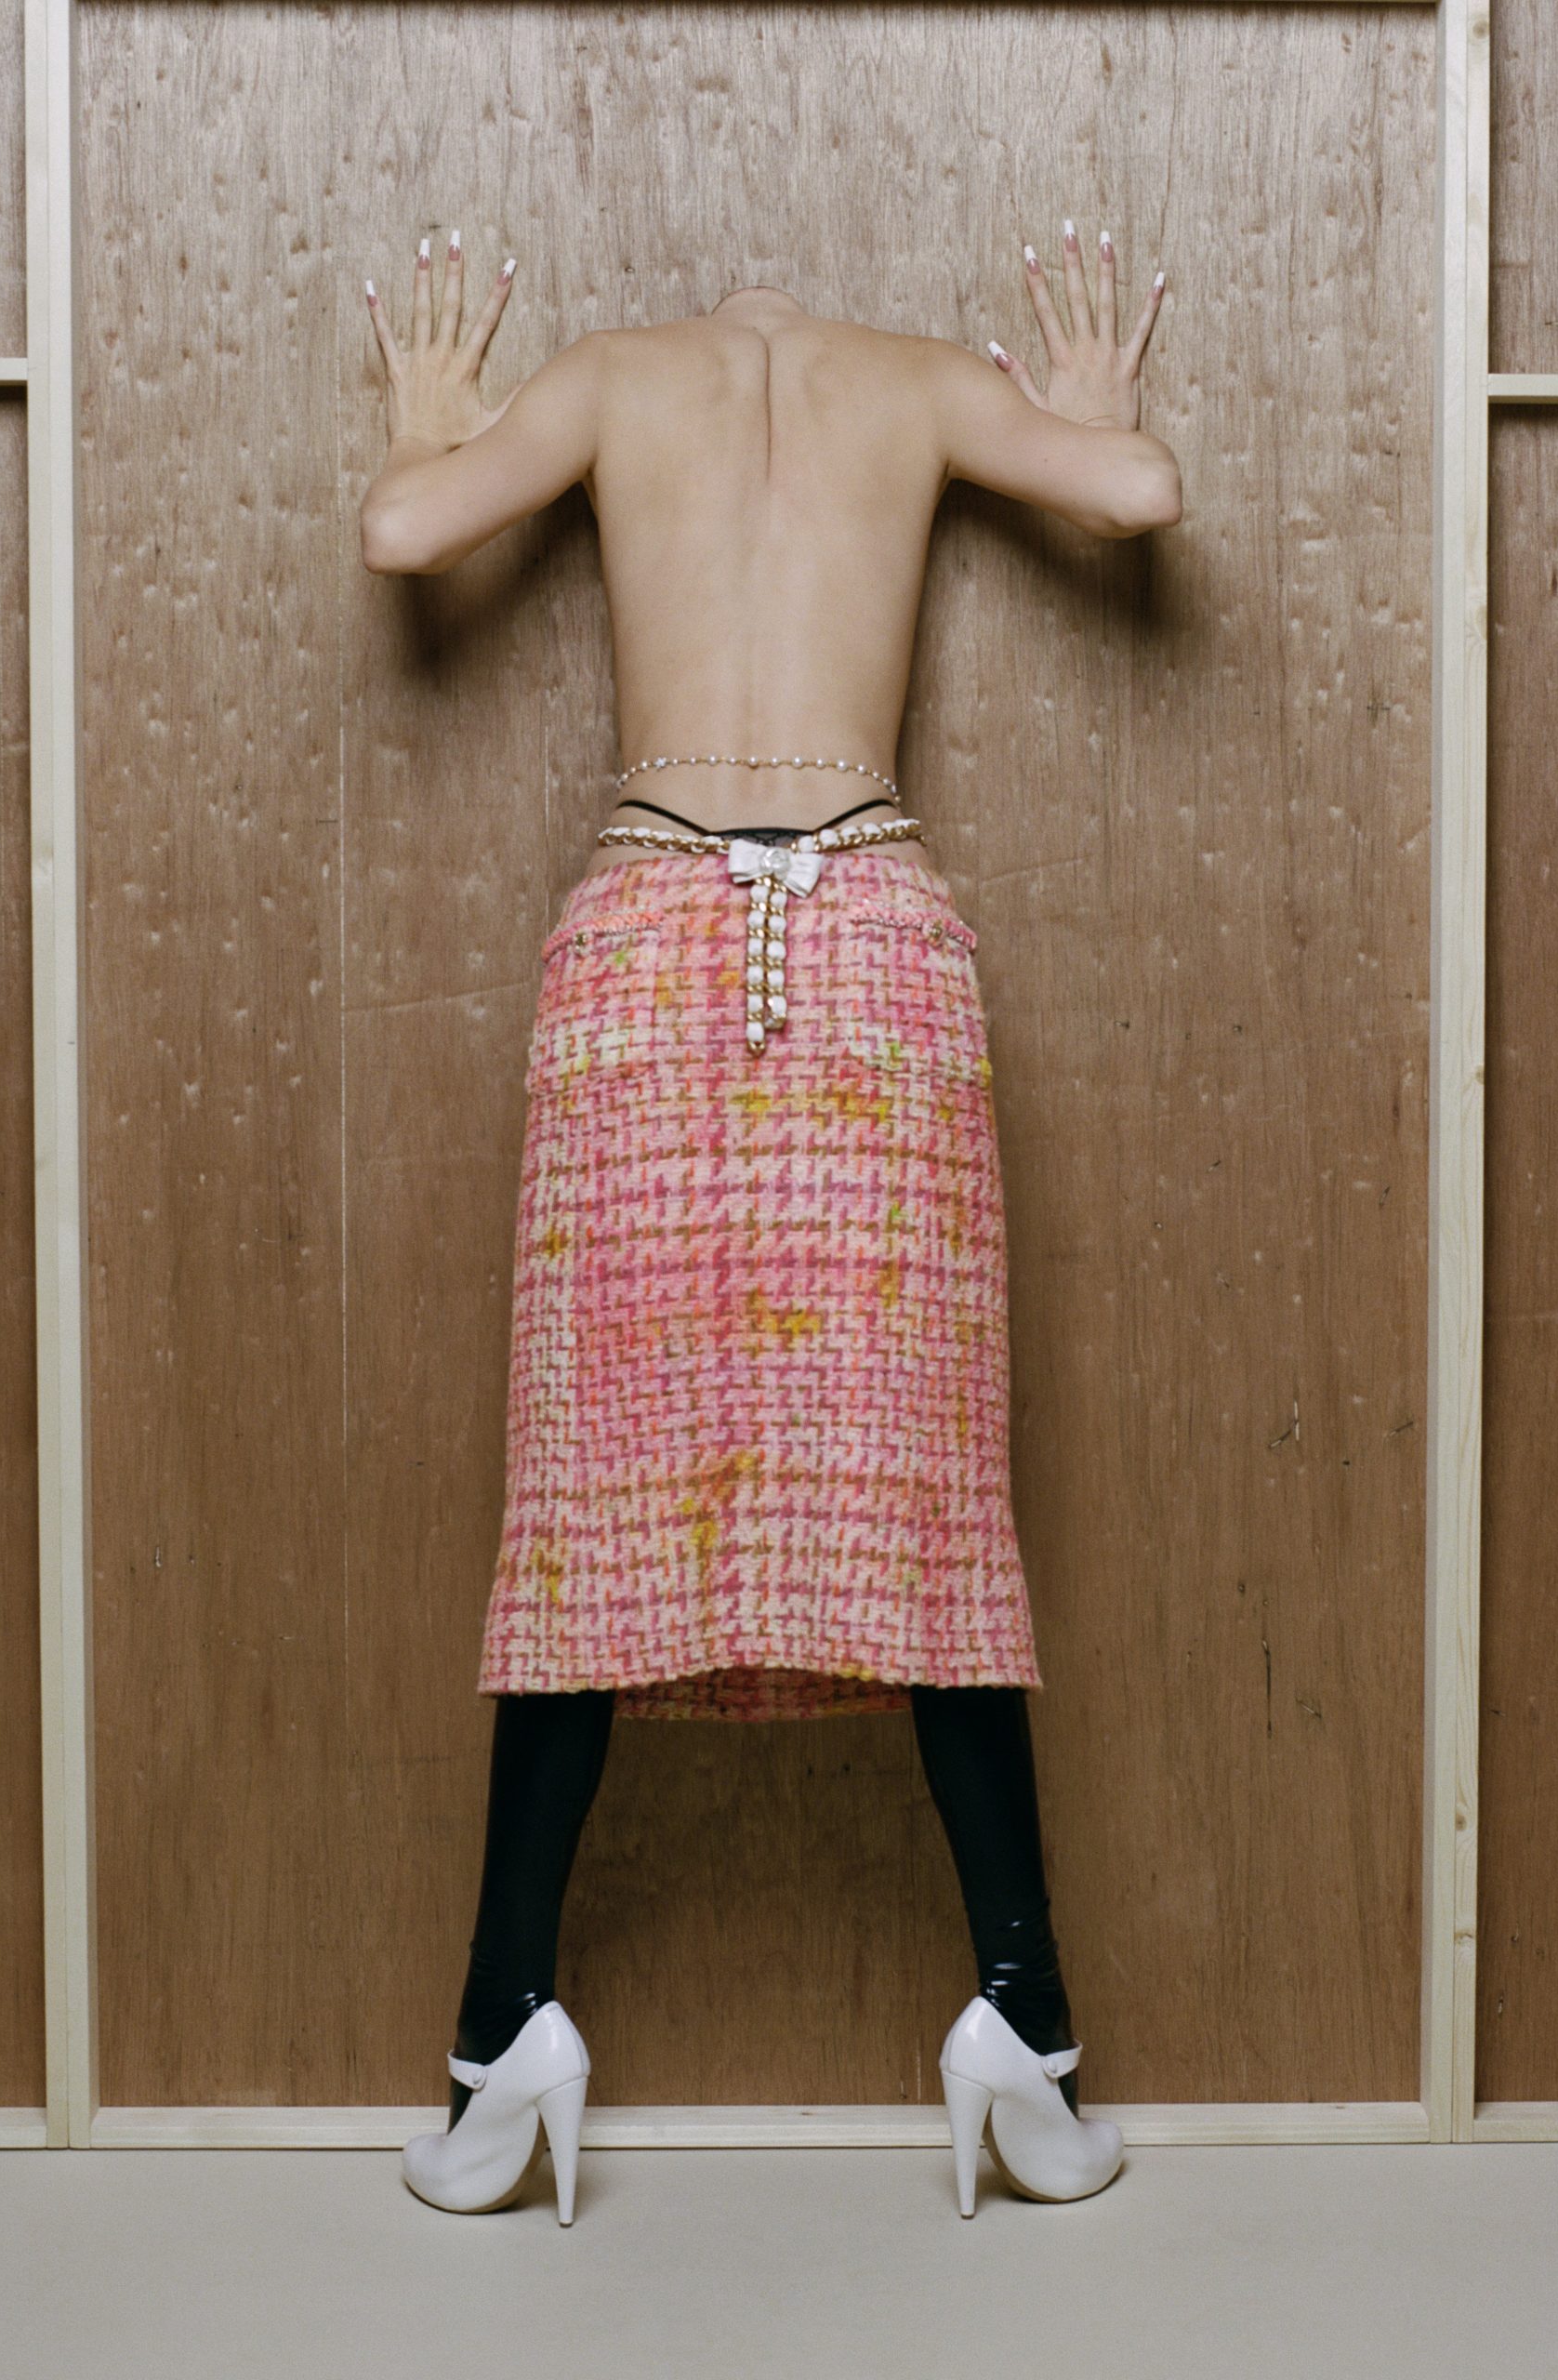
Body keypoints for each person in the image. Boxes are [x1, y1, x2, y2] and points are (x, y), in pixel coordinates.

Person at [360, 226, 1182, 2224]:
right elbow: (1139, 497)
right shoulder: (912, 376)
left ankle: (498, 2033)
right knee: (927, 1497)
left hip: (644, 937)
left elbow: (402, 536)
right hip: (875, 934)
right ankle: (1024, 2027)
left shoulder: (611, 372)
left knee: (585, 1497)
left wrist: (432, 426)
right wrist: (1086, 415)